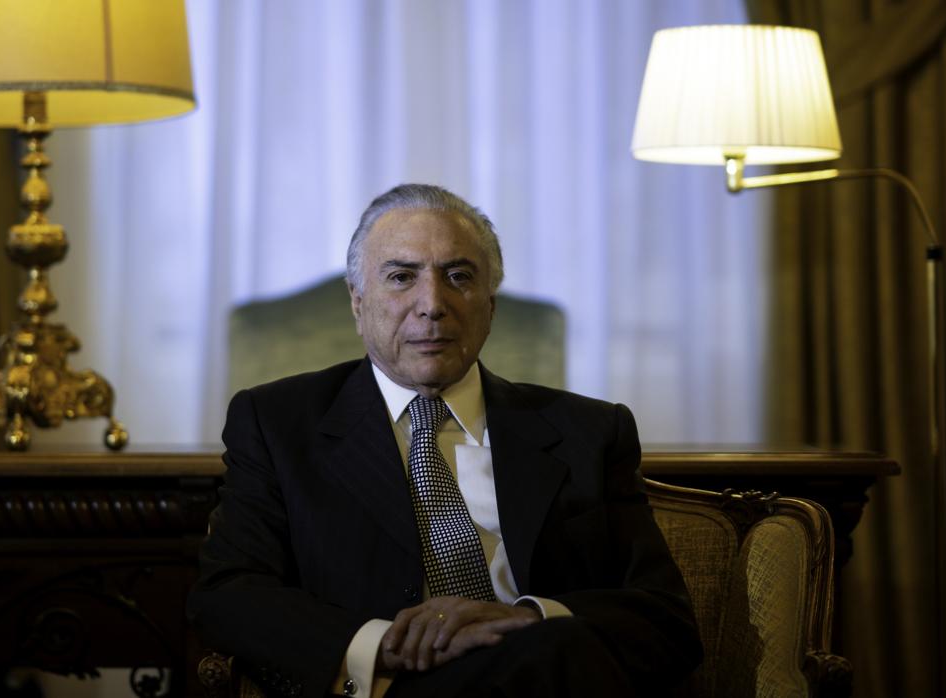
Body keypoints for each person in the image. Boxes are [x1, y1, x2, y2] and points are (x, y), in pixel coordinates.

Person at [187, 184, 702, 698]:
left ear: (490, 306)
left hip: (548, 674)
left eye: (458, 277)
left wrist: (527, 619)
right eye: (401, 277)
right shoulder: (277, 423)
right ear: (358, 302)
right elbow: (227, 594)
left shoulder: (588, 431)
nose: (432, 305)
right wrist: (385, 645)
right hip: (386, 684)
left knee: (553, 648)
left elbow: (664, 616)